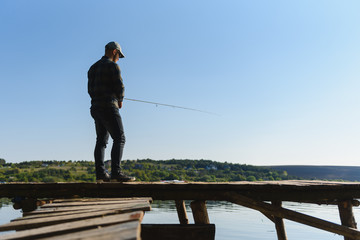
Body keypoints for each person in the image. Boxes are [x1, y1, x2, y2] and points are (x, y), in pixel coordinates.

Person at [88, 41, 135, 182]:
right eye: (119, 55)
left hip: (95, 107)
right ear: (114, 52)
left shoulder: (92, 68)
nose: (119, 58)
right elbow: (119, 86)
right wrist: (120, 99)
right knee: (120, 138)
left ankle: (101, 174)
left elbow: (90, 90)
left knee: (101, 141)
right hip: (109, 107)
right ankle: (116, 173)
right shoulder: (113, 66)